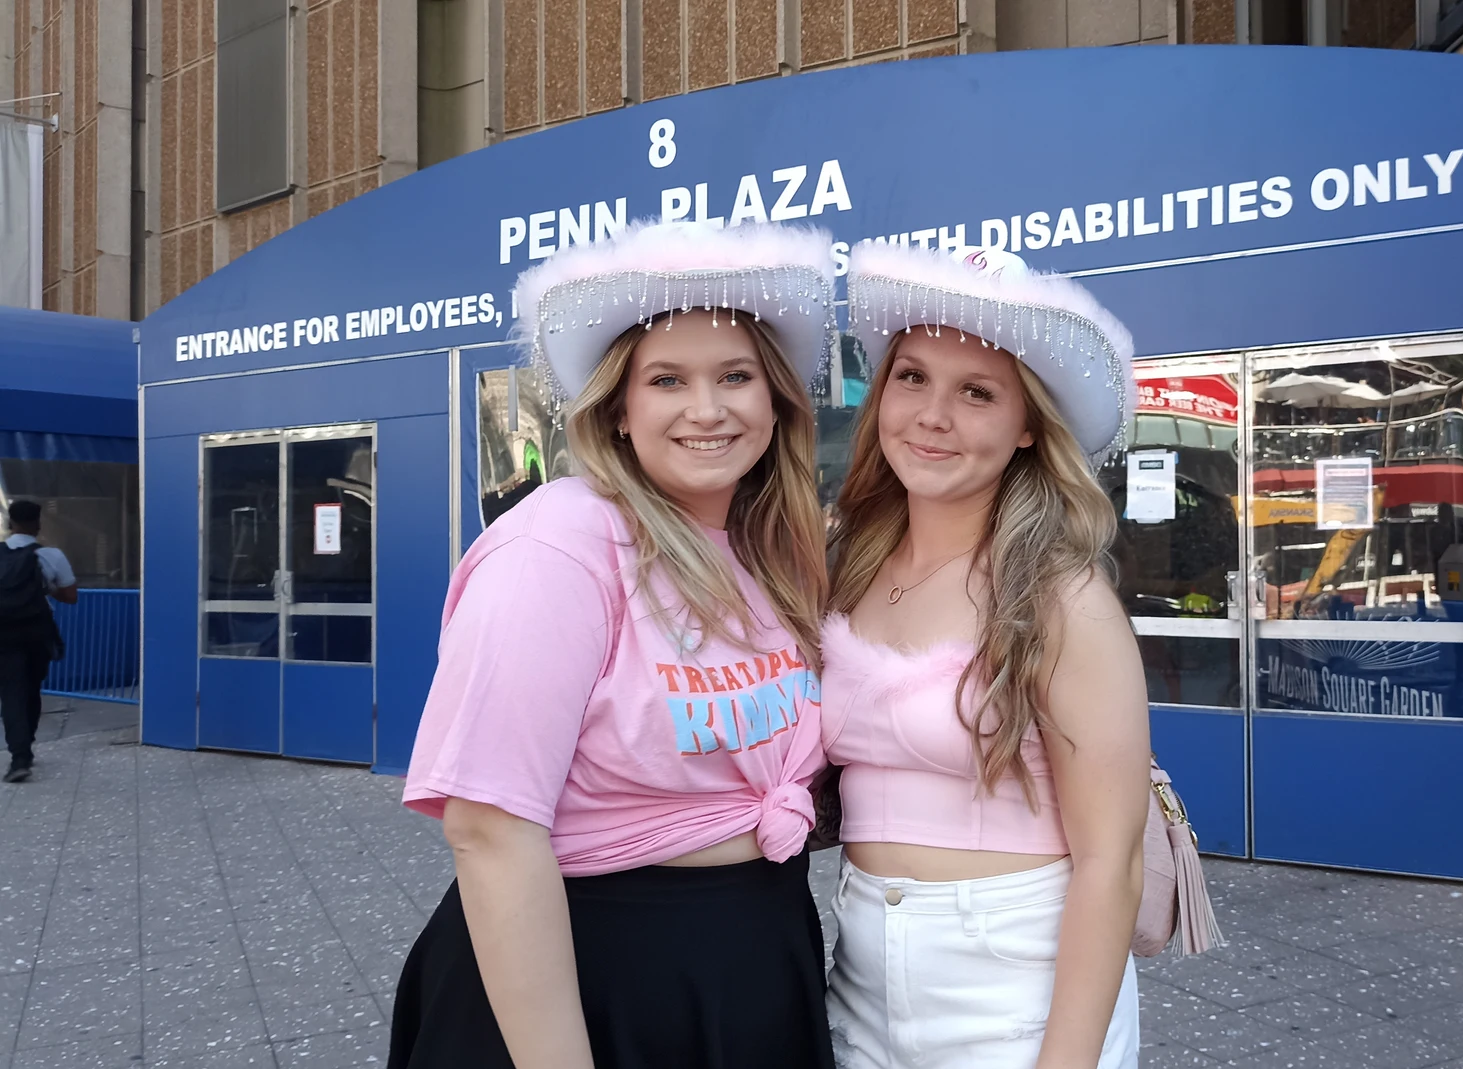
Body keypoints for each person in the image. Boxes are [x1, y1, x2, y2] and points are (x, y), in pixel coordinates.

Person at [389, 220, 838, 1069]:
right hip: (588, 975)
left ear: (775, 401)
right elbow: (488, 826)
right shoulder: (559, 544)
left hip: (755, 953)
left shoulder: (772, 552)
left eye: (735, 376)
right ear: (619, 411)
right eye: (667, 379)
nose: (707, 409)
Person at [822, 243, 1151, 1068]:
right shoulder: (844, 564)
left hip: (1015, 975)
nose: (933, 415)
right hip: (858, 959)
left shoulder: (1059, 597)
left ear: (1029, 424)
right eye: (912, 377)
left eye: (977, 392)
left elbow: (1113, 860)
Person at [0, 499, 77, 783]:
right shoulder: (51, 555)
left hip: (3, 632)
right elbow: (71, 597)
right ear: (38, 524)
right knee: (31, 689)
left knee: (11, 693)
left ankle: (19, 756)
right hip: (36, 631)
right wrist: (47, 589)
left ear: (10, 524)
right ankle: (26, 750)